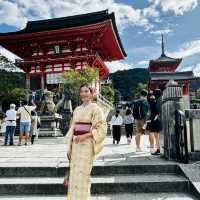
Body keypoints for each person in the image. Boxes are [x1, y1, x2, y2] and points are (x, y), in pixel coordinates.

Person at [64, 83, 107, 200]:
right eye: (82, 91)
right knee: (74, 173)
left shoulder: (96, 108)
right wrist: (70, 144)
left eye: (86, 91)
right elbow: (73, 126)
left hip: (87, 144)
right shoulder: (77, 109)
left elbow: (101, 127)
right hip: (76, 144)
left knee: (84, 174)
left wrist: (86, 136)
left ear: (92, 93)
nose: (84, 94)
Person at [150, 89, 162, 155]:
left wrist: (152, 101)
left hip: (155, 120)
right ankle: (159, 148)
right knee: (157, 135)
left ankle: (158, 149)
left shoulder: (155, 101)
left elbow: (156, 111)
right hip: (159, 119)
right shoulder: (160, 100)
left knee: (156, 135)